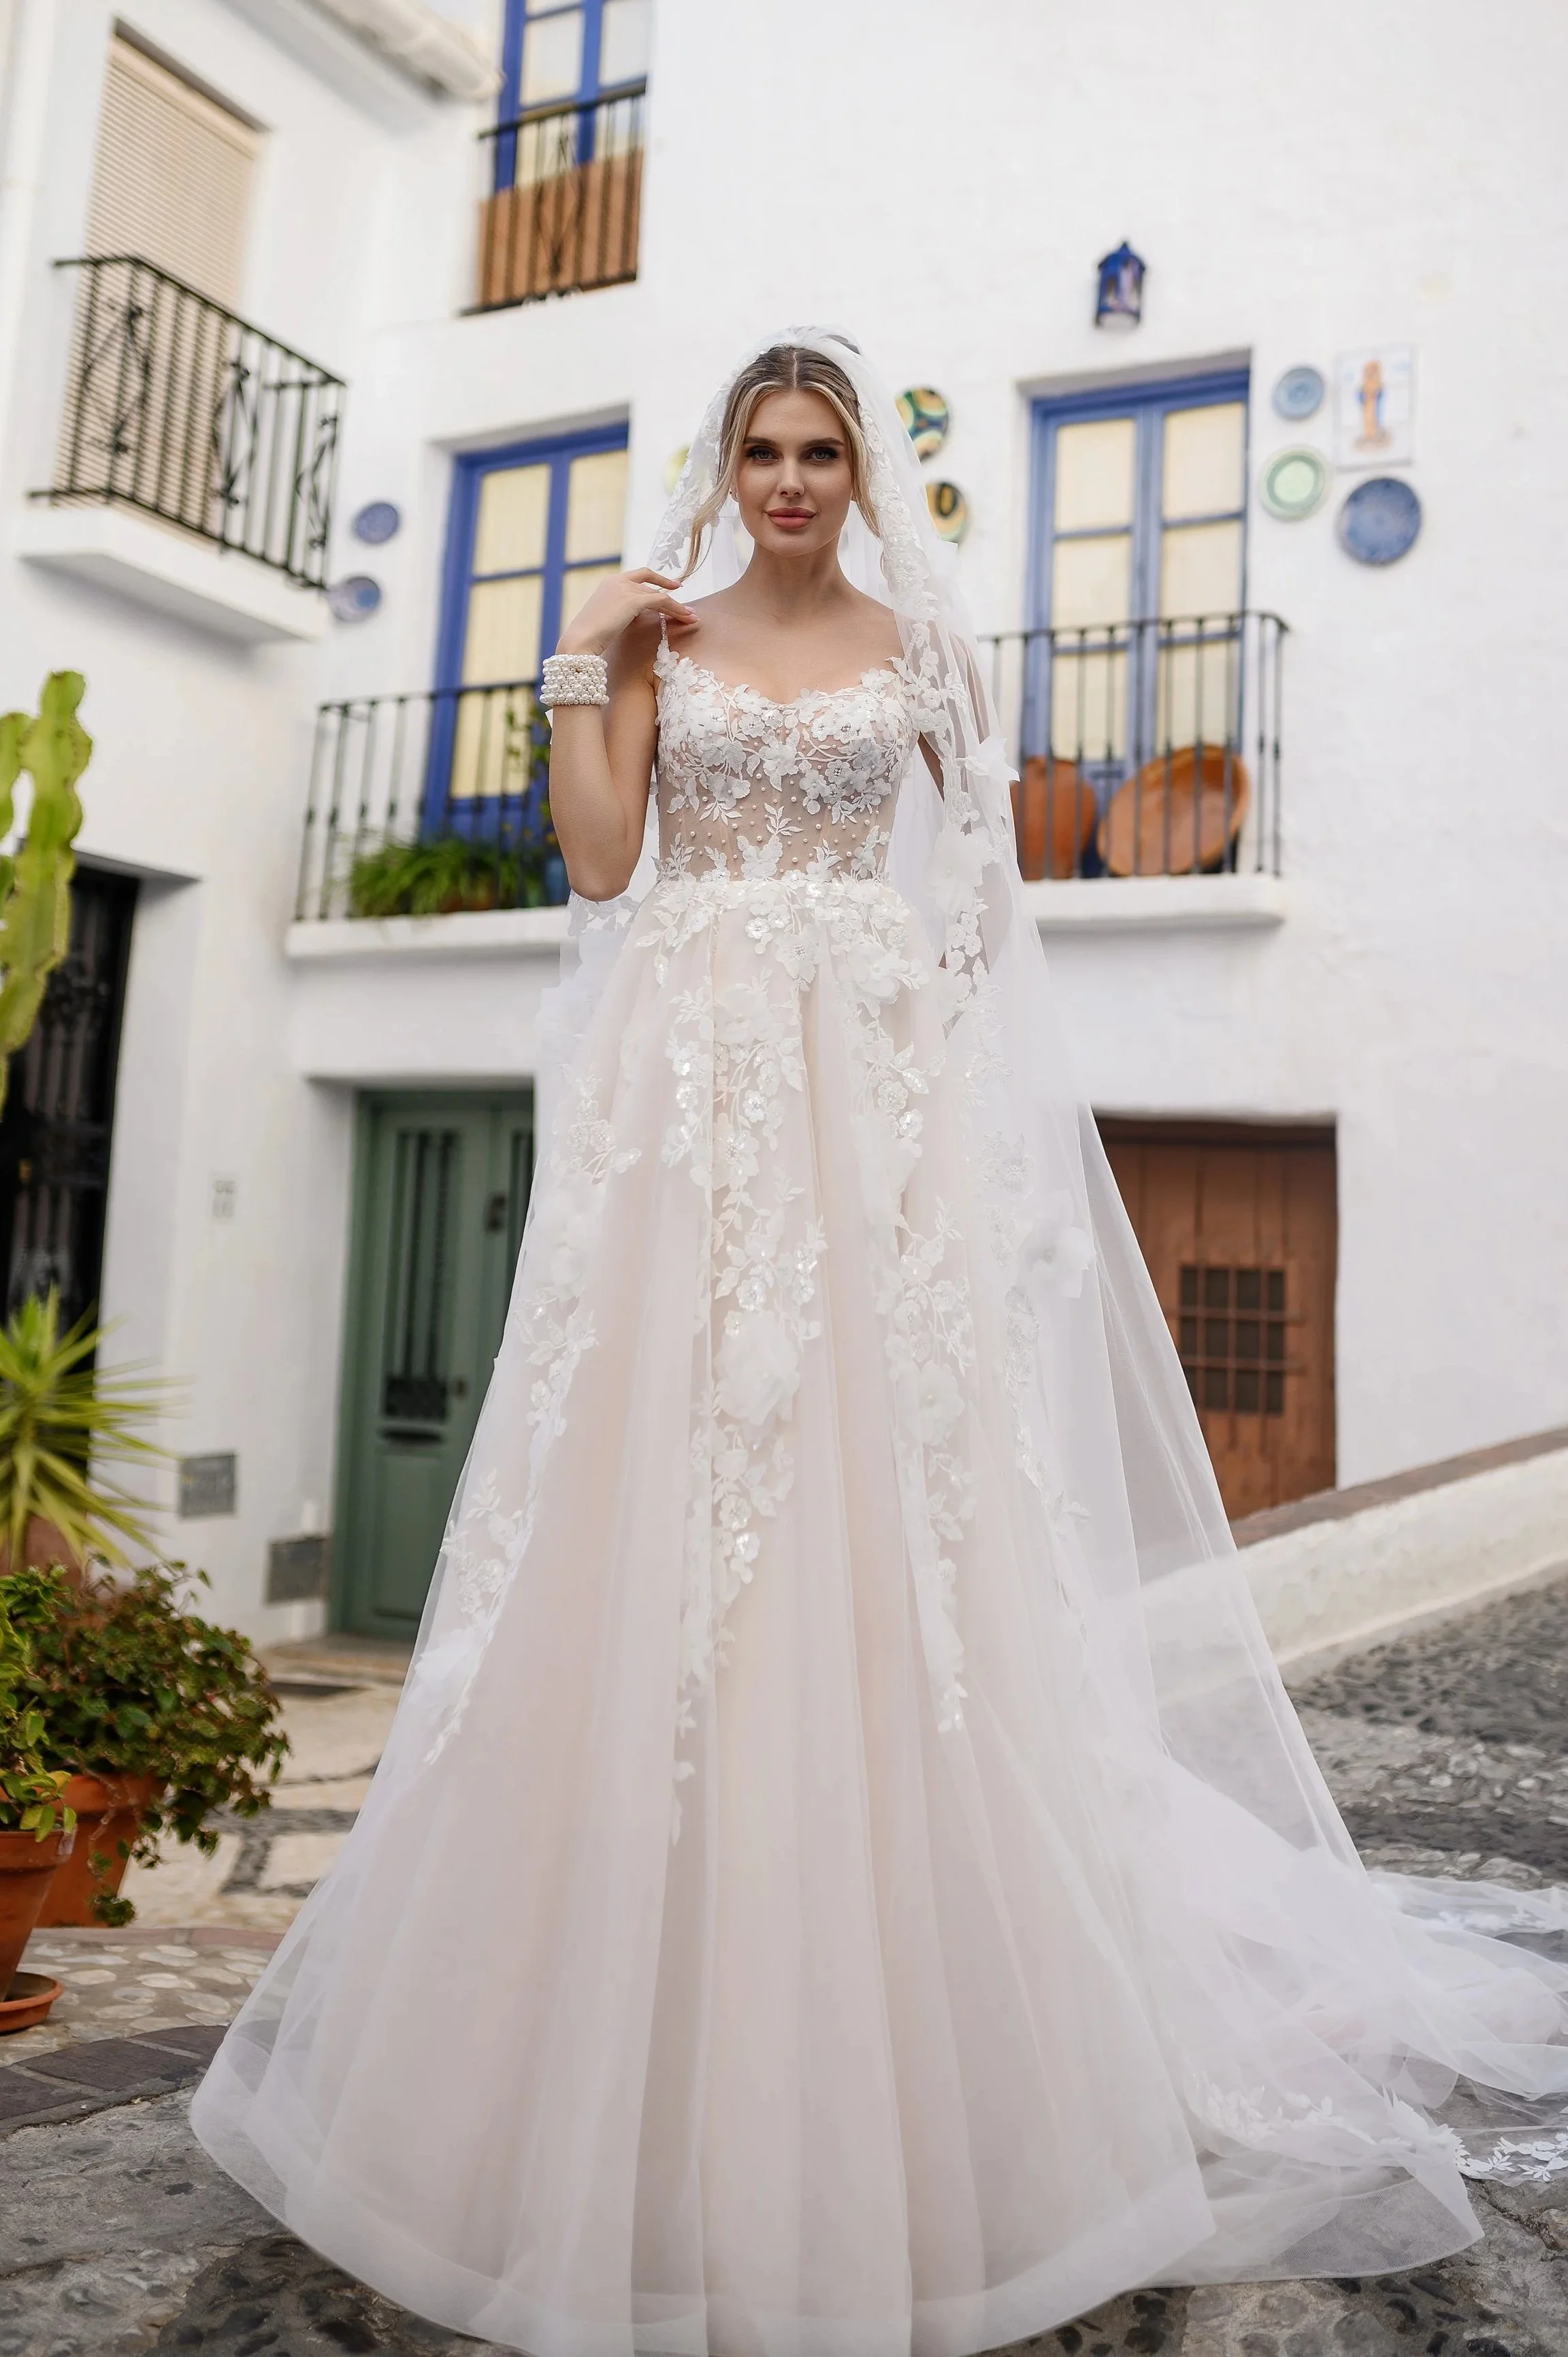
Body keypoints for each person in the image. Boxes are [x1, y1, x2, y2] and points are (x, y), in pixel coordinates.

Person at [193, 331, 1568, 2357]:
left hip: (859, 1123)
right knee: (642, 1504)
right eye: (760, 445)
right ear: (722, 461)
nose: (789, 478)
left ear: (860, 468)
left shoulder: (928, 655)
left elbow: (992, 905)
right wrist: (579, 649)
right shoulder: (655, 637)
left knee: (874, 1516)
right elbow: (594, 857)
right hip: (689, 1114)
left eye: (821, 447)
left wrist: (919, 1079)